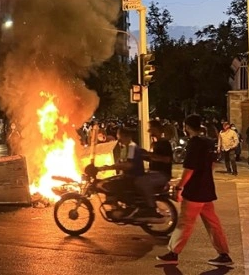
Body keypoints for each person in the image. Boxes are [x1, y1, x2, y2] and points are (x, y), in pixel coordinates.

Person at [157, 114, 233, 267]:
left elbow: (189, 169)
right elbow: (211, 165)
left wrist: (179, 186)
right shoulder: (208, 142)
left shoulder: (194, 144)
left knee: (185, 223)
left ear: (187, 127)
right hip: (207, 189)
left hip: (194, 191)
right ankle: (224, 254)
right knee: (213, 223)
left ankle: (173, 253)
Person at [96, 126, 162, 221]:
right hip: (127, 176)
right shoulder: (125, 148)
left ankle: (126, 209)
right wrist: (108, 167)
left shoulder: (131, 147)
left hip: (133, 177)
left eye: (119, 137)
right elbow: (121, 163)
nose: (118, 139)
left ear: (125, 136)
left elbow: (128, 165)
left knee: (111, 185)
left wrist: (110, 167)